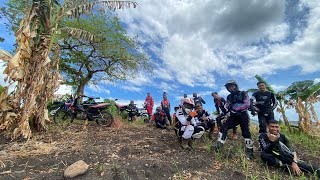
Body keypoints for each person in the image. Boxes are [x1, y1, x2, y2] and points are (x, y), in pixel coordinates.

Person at [213, 80, 254, 160]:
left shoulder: (243, 93)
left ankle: (250, 151)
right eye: (228, 87)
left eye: (232, 86)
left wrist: (236, 109)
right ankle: (219, 146)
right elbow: (227, 106)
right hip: (233, 116)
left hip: (243, 115)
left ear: (235, 85)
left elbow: (247, 104)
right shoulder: (229, 96)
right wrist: (224, 113)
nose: (230, 88)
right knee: (223, 128)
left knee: (246, 133)